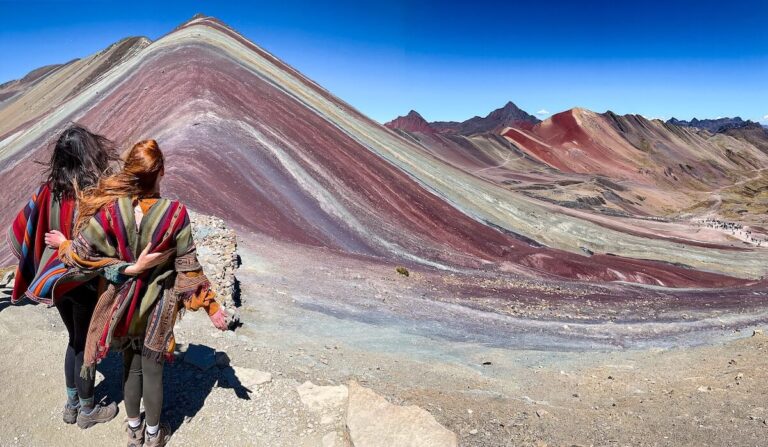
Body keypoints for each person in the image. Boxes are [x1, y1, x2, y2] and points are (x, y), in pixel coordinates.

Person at [46, 139, 229, 447]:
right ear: (161, 173)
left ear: (130, 173)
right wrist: (212, 308)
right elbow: (189, 269)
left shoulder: (110, 213)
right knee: (153, 370)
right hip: (158, 308)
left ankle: (134, 432)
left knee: (131, 366)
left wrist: (63, 244)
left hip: (121, 306)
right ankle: (155, 435)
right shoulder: (175, 215)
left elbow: (79, 254)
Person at [6, 124, 122, 428]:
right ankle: (87, 410)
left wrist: (39, 255)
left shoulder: (49, 189)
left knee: (74, 339)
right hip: (82, 279)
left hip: (56, 280)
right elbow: (104, 243)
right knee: (85, 343)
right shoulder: (94, 195)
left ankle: (71, 406)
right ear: (89, 154)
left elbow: (21, 229)